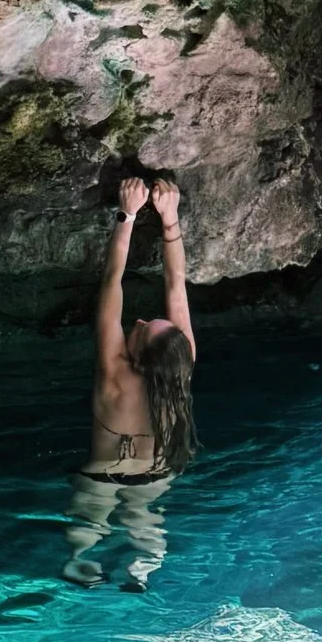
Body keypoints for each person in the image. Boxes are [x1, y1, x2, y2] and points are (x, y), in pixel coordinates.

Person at [65, 170, 196, 586]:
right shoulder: (183, 360)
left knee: (88, 524)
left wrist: (128, 214)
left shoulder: (114, 370)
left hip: (102, 473)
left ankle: (82, 562)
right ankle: (143, 567)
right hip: (156, 472)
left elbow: (112, 280)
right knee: (147, 523)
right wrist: (170, 221)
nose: (138, 319)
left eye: (139, 328)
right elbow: (176, 286)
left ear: (135, 354)